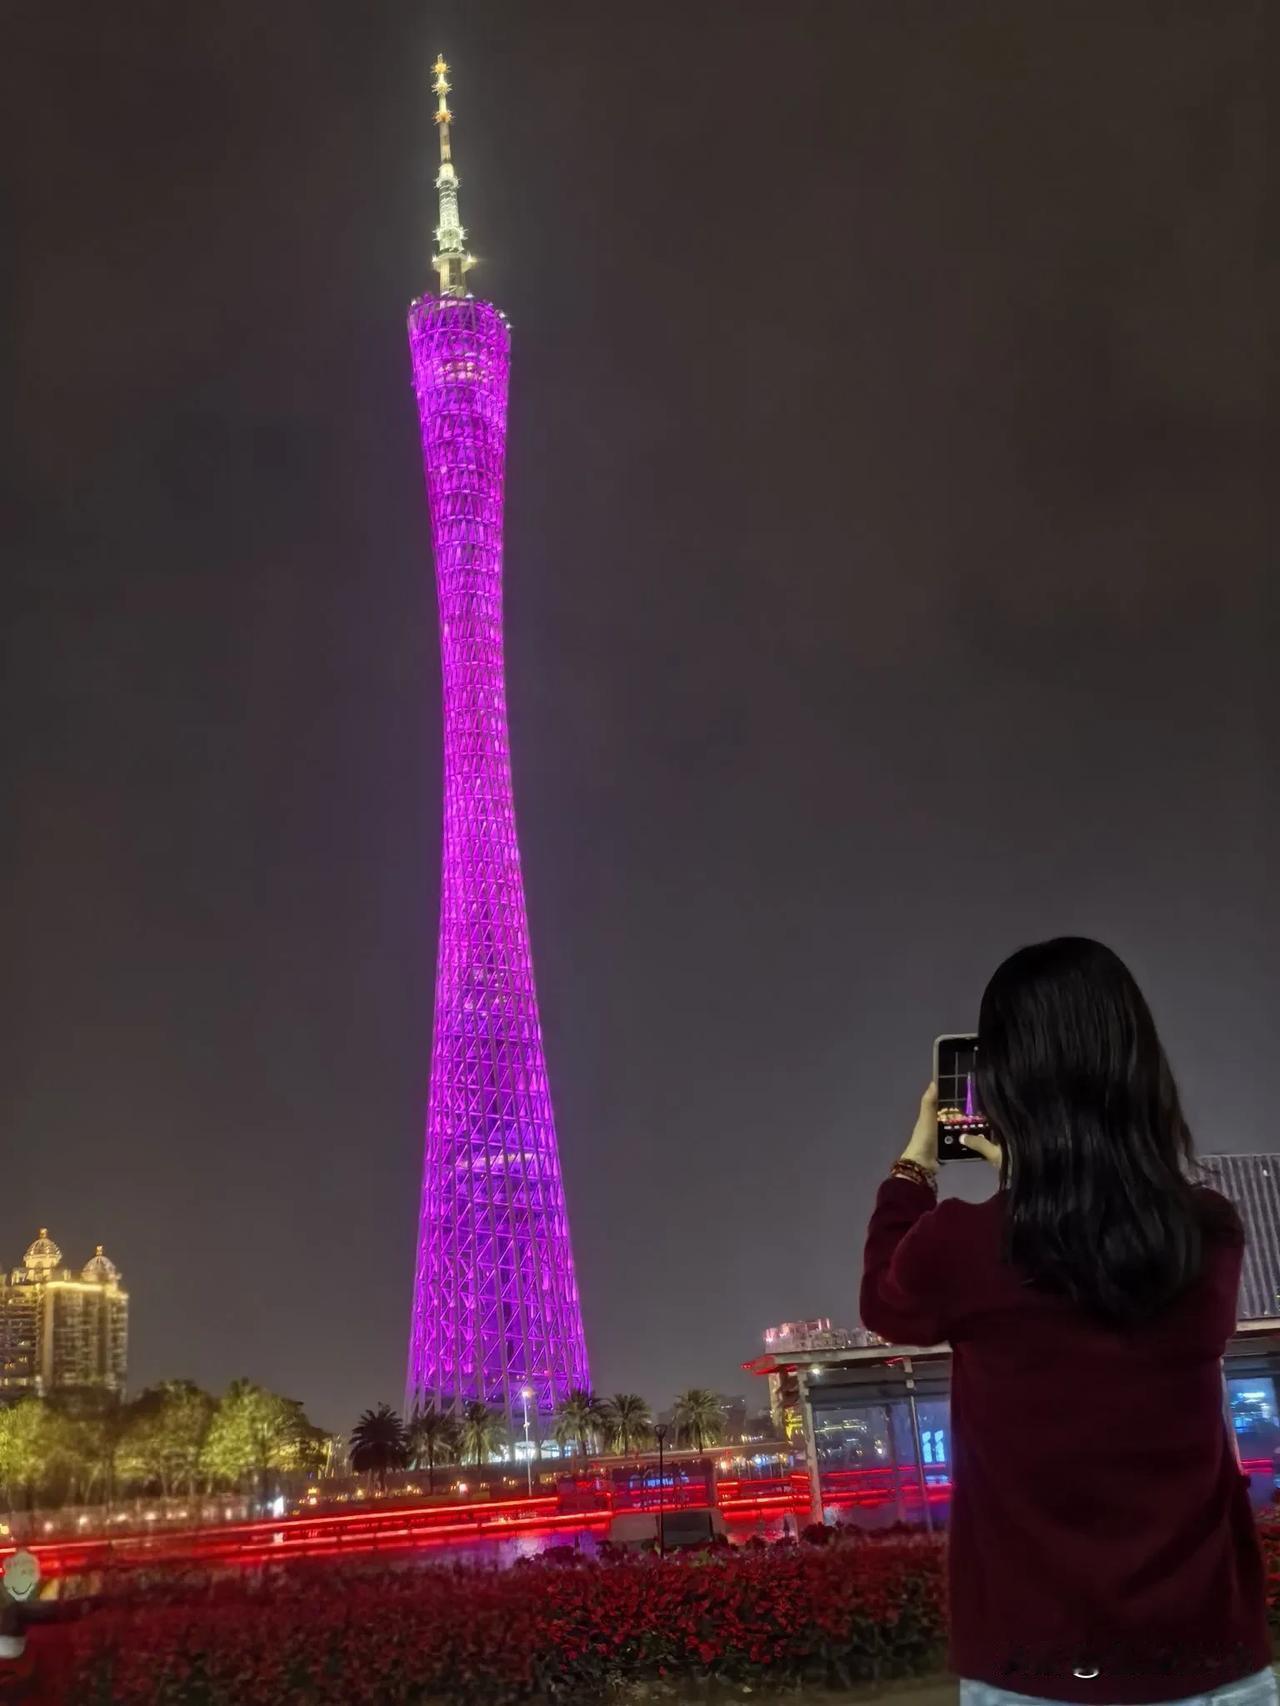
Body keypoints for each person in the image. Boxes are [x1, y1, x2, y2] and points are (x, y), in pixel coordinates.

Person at [860, 938, 1273, 1706]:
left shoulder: (961, 1247)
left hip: (1034, 1670)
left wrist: (916, 1162)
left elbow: (885, 1303)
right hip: (1209, 1662)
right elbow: (1092, 1252)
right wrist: (1040, 1178)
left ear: (1003, 1084)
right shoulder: (1207, 1234)